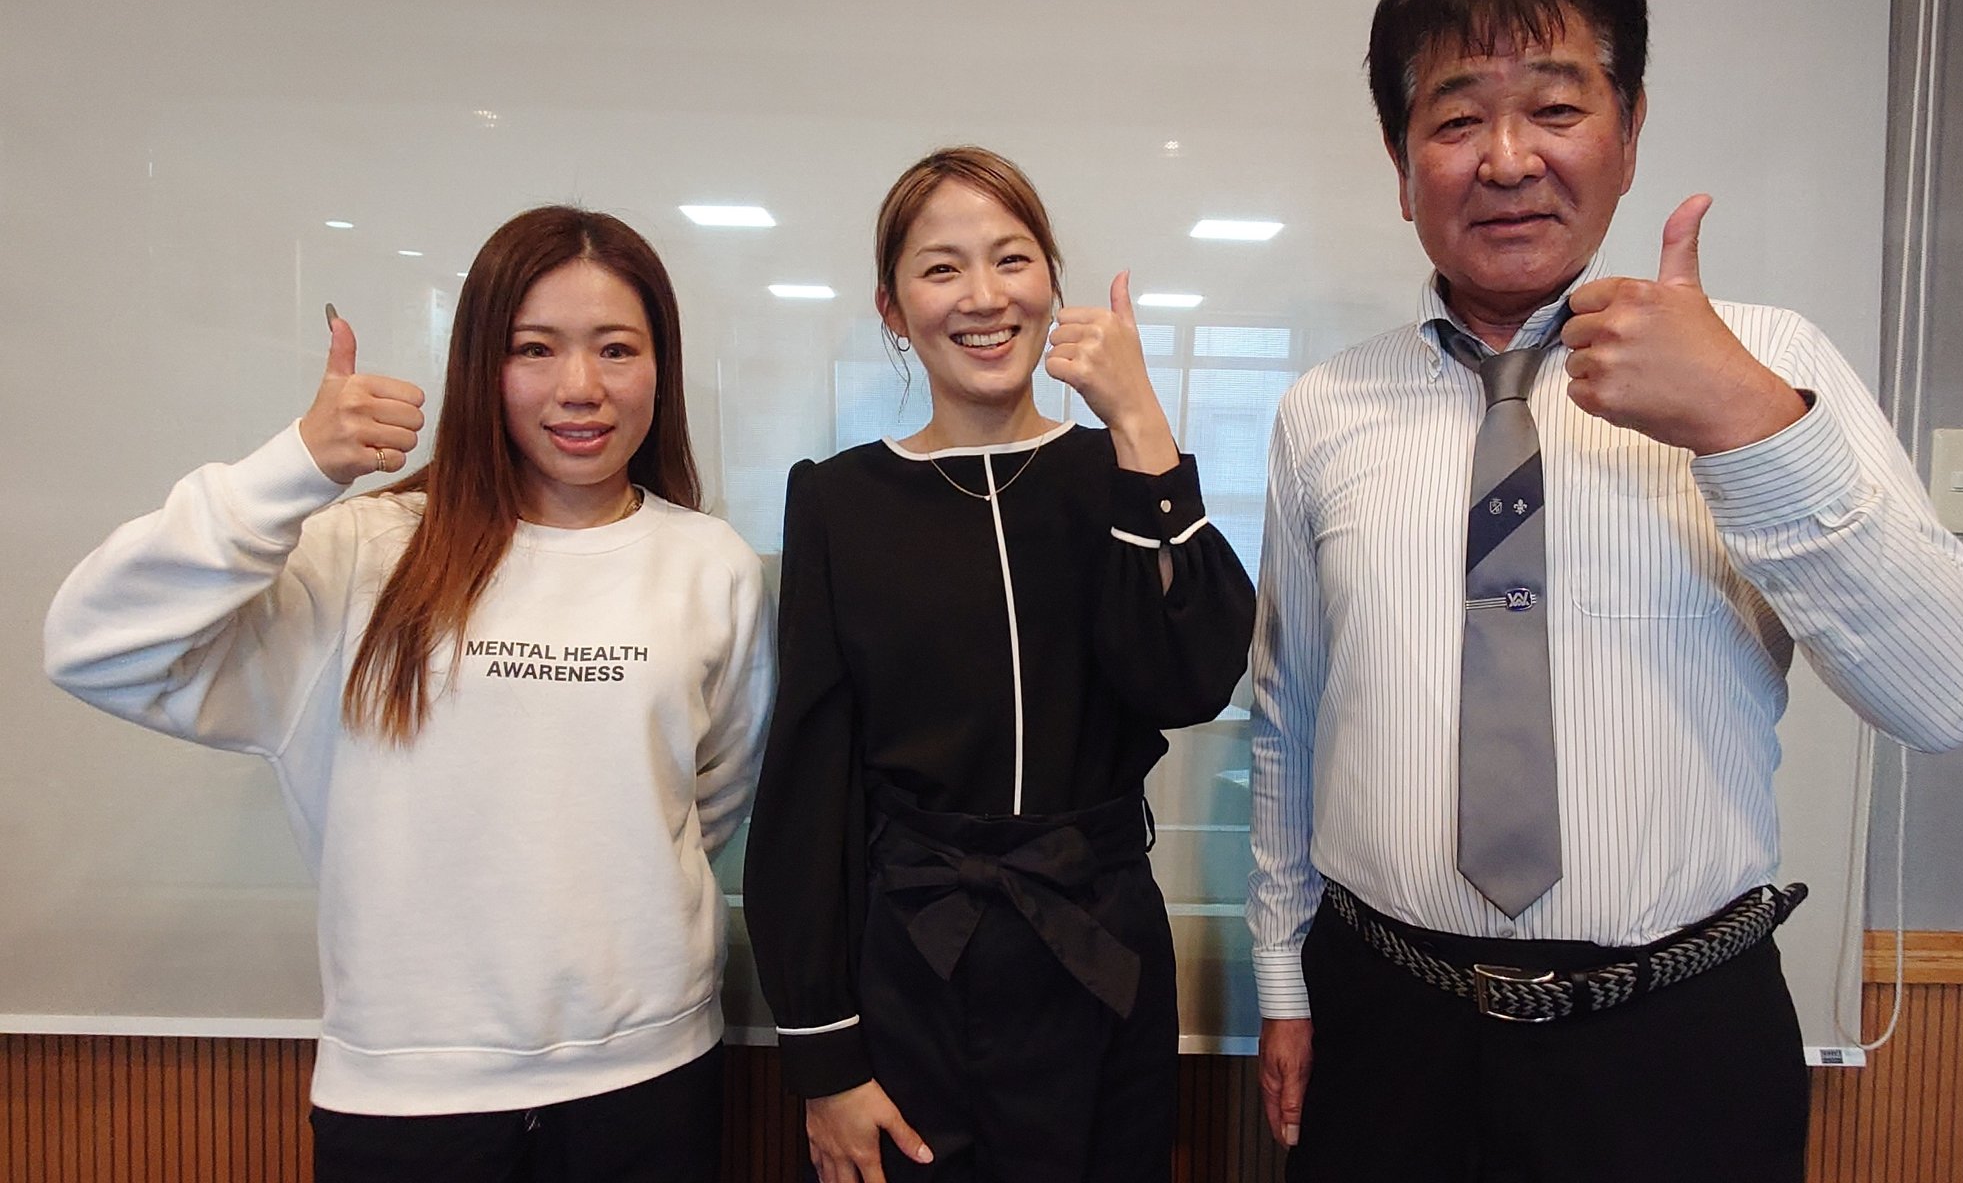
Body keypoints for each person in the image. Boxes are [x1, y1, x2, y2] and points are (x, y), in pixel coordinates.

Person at [1246, 0, 1963, 1182]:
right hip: (1386, 1024)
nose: (1505, 159)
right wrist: (1281, 975)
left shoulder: (1768, 363)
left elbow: (1946, 695)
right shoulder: (1325, 408)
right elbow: (1290, 712)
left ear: (1628, 127)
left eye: (1554, 108)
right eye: (1454, 119)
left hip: (1676, 1040)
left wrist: (1747, 426)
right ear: (1399, 159)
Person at [45, 206, 773, 1182]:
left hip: (649, 1075)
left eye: (616, 348)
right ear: (480, 365)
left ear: (660, 365)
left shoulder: (709, 563)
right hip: (407, 1096)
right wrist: (293, 469)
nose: (580, 386)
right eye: (534, 348)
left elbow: (704, 795)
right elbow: (93, 646)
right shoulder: (363, 553)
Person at [743, 146, 1255, 1183]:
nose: (983, 296)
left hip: (1099, 951)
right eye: (941, 268)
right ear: (892, 309)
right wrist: (824, 1057)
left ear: (1051, 283)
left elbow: (1192, 679)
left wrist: (1139, 422)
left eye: (1011, 259)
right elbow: (807, 788)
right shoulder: (839, 501)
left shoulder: (1117, 473)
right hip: (911, 964)